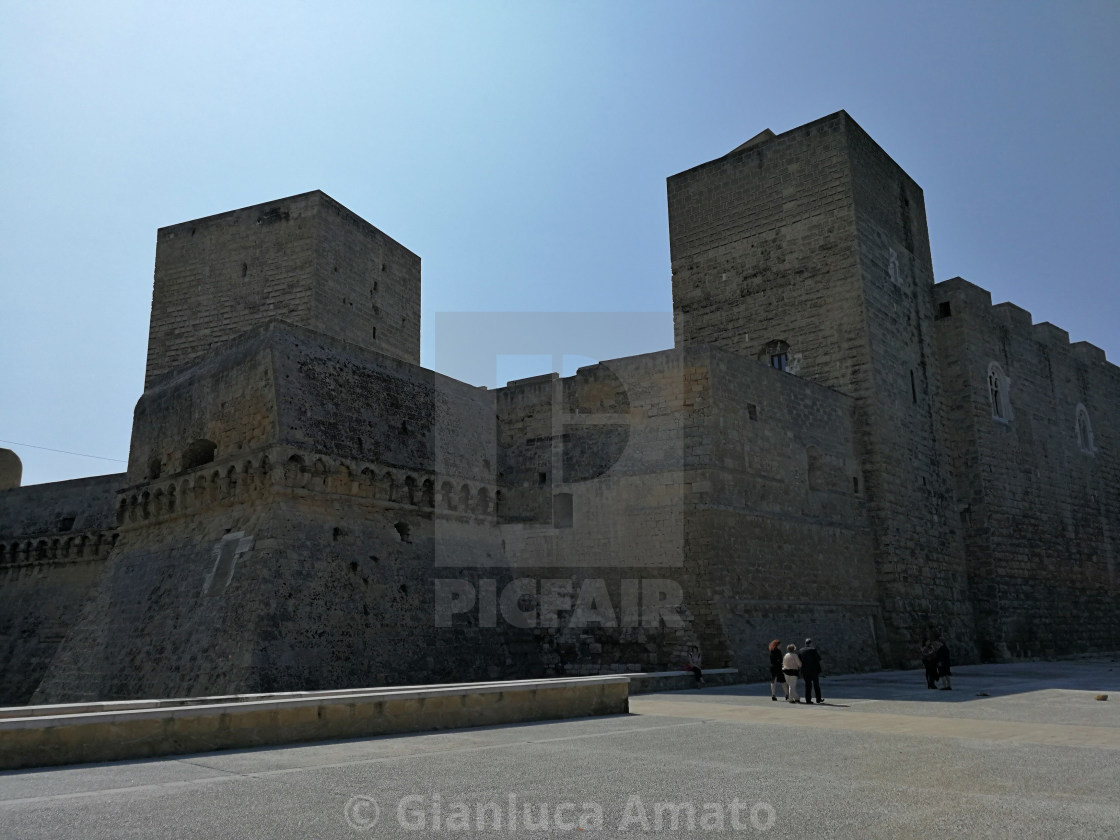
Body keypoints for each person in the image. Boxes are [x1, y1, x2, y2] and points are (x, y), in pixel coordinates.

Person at [798, 638, 823, 704]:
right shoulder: (813, 650)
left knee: (808, 685)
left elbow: (799, 660)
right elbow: (818, 658)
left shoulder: (801, 650)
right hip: (813, 670)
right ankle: (818, 699)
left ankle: (808, 700)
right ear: (811, 643)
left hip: (805, 670)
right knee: (816, 685)